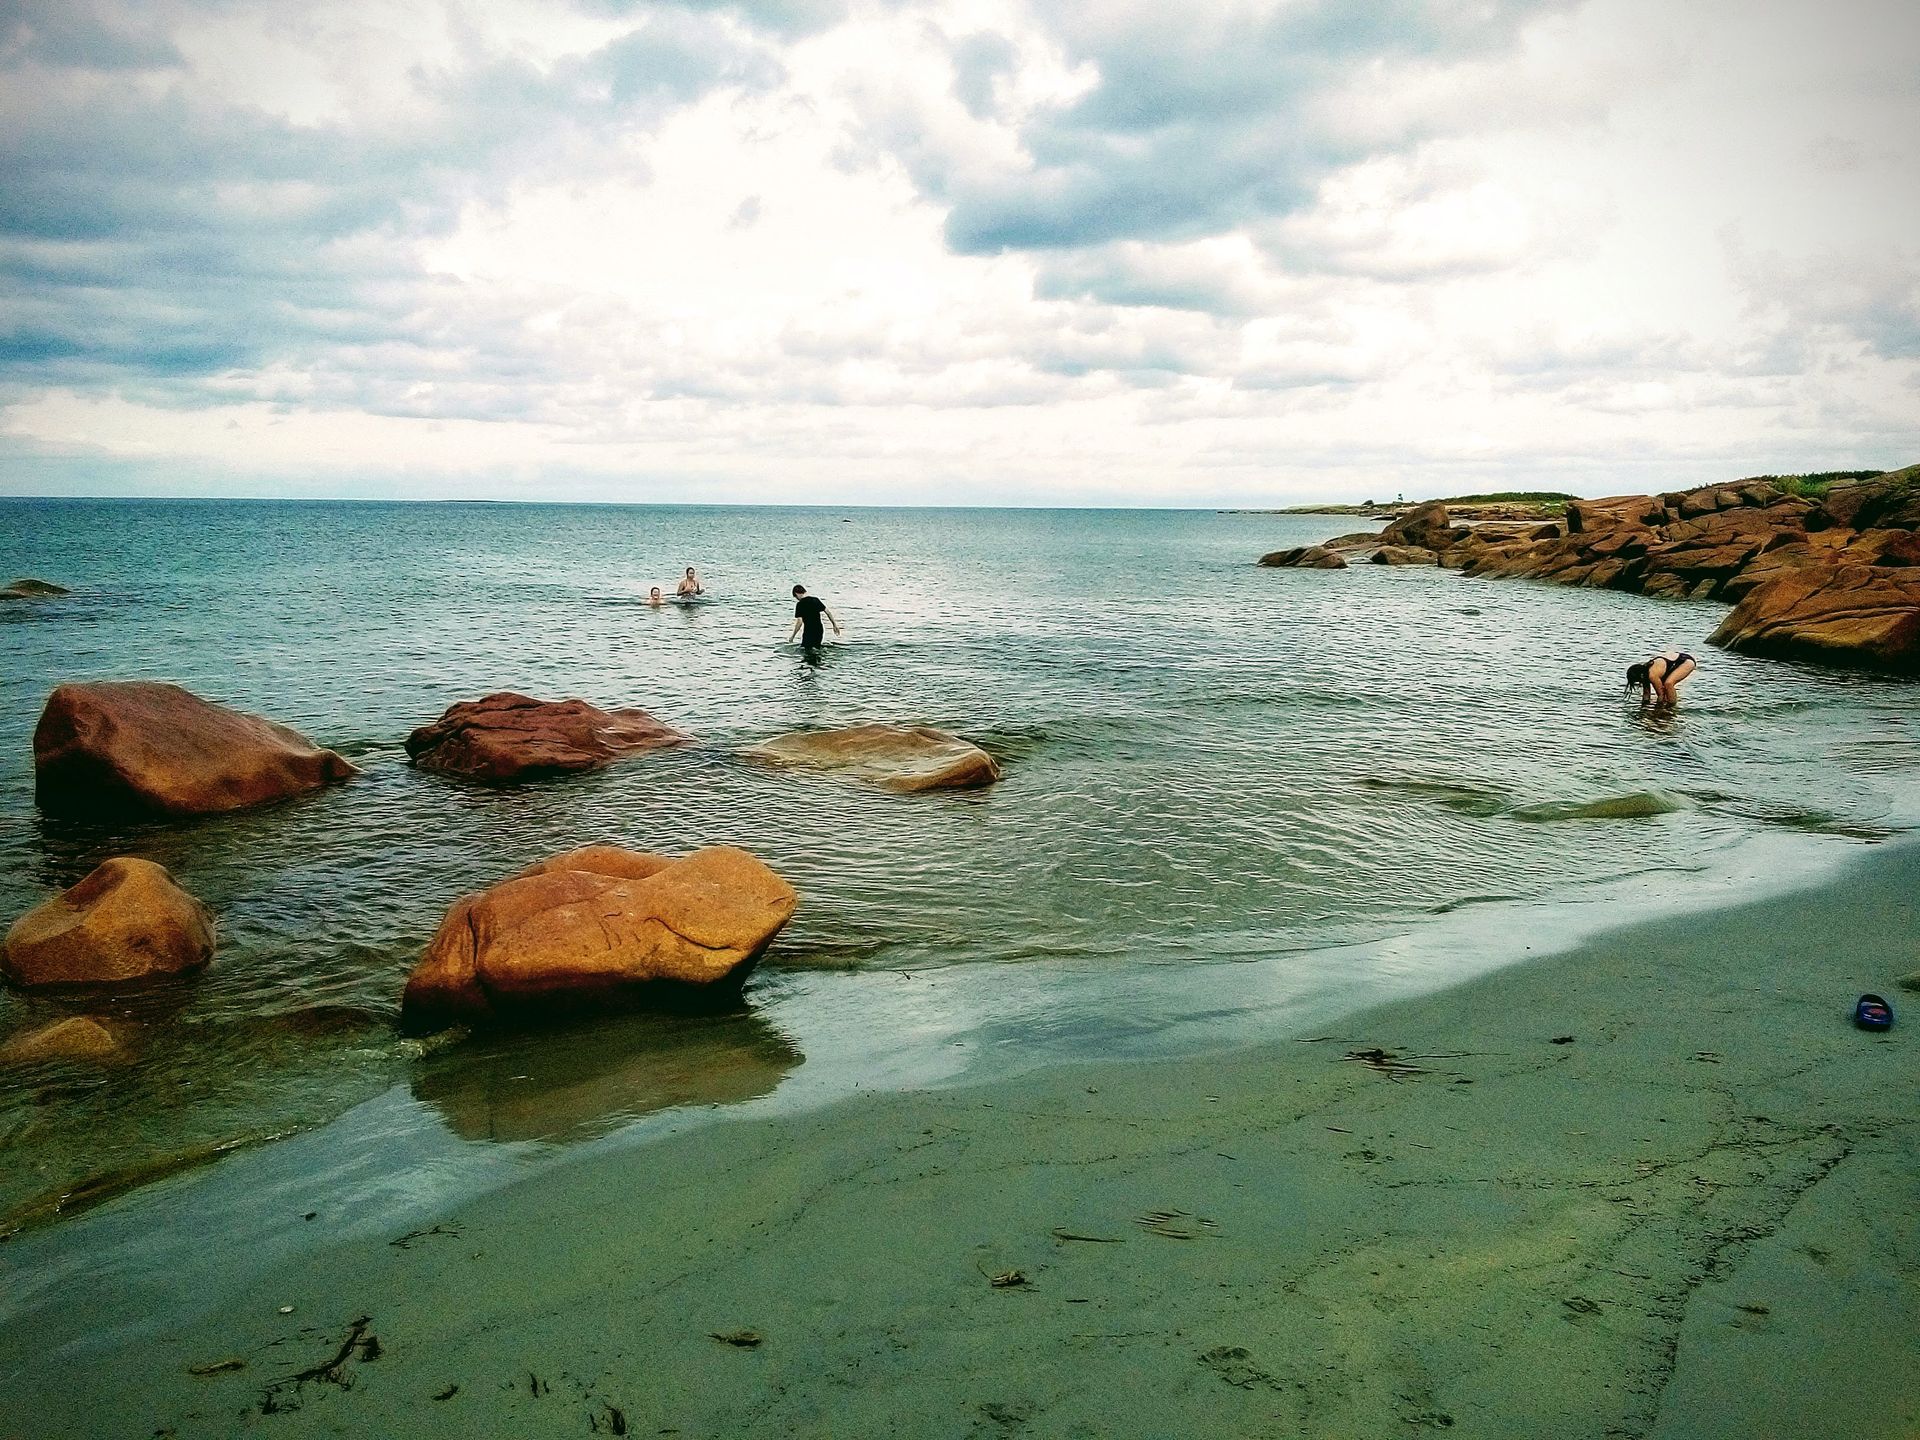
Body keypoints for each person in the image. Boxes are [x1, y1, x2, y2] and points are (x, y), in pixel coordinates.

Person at [1626, 649, 1695, 707]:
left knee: (1668, 683)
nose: (1639, 682)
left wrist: (1658, 708)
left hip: (1685, 661)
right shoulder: (1644, 674)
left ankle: (1672, 707)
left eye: (1637, 680)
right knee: (1665, 690)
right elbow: (1646, 694)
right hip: (1671, 665)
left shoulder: (1652, 675)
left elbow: (1661, 694)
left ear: (1640, 676)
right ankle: (1669, 705)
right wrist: (1644, 707)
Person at [788, 584, 841, 649]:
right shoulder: (815, 600)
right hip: (819, 630)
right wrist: (834, 625)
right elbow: (828, 612)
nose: (797, 599)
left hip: (809, 631)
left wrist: (793, 636)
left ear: (797, 593)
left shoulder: (800, 604)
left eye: (795, 597)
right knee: (817, 648)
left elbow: (799, 622)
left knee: (807, 650)